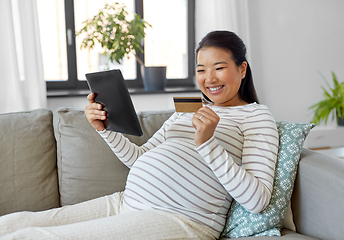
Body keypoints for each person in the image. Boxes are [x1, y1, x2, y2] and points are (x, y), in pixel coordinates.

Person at [0, 30, 279, 240]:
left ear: (242, 69)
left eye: (219, 68)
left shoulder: (256, 117)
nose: (209, 78)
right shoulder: (189, 108)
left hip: (182, 220)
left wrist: (207, 144)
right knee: (15, 224)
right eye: (201, 70)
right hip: (126, 201)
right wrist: (105, 130)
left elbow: (256, 200)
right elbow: (139, 157)